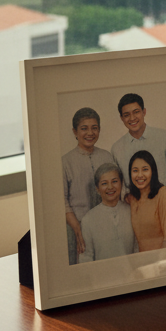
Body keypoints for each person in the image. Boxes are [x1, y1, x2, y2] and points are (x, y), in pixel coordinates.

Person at [61, 107, 115, 265]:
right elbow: (62, 201)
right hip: (77, 228)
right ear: (75, 131)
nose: (90, 133)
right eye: (84, 128)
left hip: (107, 226)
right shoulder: (65, 162)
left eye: (94, 128)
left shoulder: (107, 157)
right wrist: (78, 229)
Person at [111, 93, 166, 201]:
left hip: (165, 203)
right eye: (127, 115)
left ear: (144, 112)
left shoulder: (164, 137)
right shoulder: (116, 149)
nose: (132, 118)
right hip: (136, 211)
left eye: (136, 112)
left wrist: (165, 203)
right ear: (121, 118)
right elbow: (120, 188)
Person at [78, 163, 137, 262]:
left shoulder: (132, 212)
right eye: (104, 183)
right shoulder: (88, 220)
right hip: (102, 275)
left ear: (121, 183)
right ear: (97, 189)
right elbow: (86, 259)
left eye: (114, 181)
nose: (110, 187)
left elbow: (137, 248)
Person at [126, 149, 166, 251]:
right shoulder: (132, 198)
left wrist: (158, 265)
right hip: (143, 261)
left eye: (145, 169)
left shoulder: (163, 194)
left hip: (163, 260)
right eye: (135, 170)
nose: (140, 175)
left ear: (153, 171)